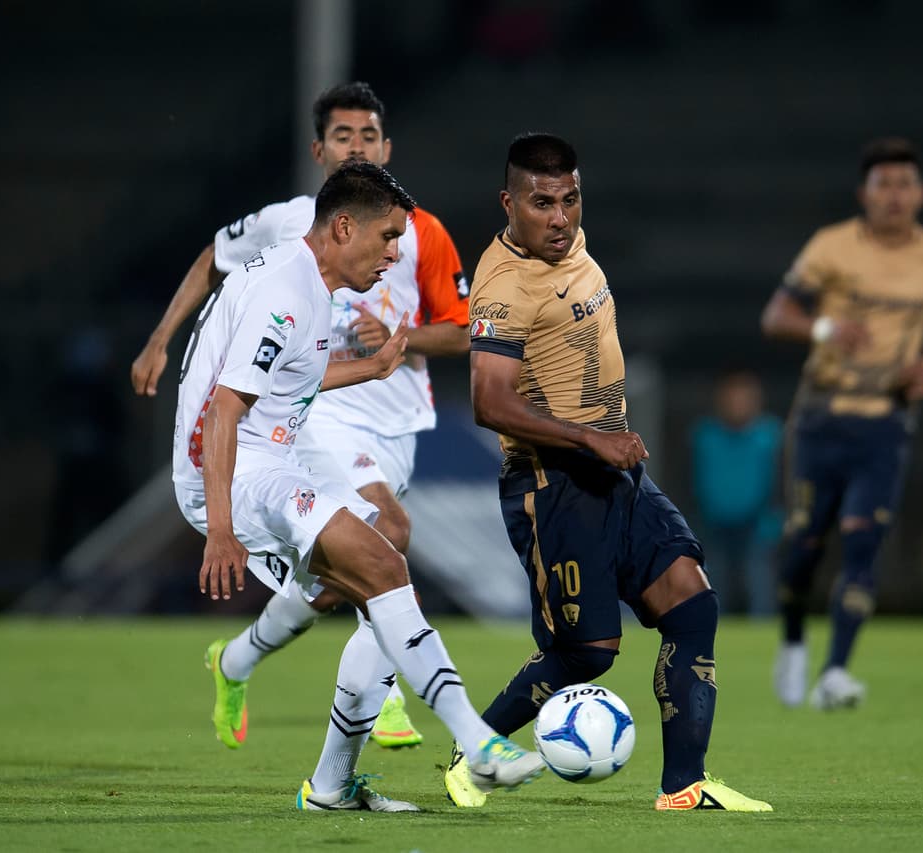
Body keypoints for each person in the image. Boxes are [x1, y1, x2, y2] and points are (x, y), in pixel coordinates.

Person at [172, 160, 544, 810]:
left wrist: (369, 367)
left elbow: (289, 380)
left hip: (272, 453)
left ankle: (326, 778)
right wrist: (222, 527)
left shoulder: (313, 285)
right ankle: (478, 742)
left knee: (365, 580)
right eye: (387, 237)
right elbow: (224, 409)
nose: (395, 253)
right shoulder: (288, 291)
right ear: (344, 227)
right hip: (232, 468)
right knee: (380, 559)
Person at [132, 82, 471, 755]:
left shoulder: (414, 231)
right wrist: (159, 338)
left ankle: (236, 660)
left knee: (328, 584)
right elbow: (211, 259)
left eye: (368, 137)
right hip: (315, 419)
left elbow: (463, 331)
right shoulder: (290, 226)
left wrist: (401, 340)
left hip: (395, 417)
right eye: (342, 136)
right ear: (319, 150)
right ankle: (391, 702)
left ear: (386, 148)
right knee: (387, 534)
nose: (355, 147)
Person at [444, 133, 772, 813]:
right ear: (509, 203)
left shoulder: (570, 243)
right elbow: (488, 400)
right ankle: (472, 751)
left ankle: (684, 785)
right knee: (587, 651)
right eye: (541, 203)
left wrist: (604, 445)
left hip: (615, 474)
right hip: (553, 484)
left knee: (693, 602)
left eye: (569, 199)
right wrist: (590, 438)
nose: (559, 217)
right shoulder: (504, 285)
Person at [761, 137, 923, 710]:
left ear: (921, 193)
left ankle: (834, 674)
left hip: (886, 421)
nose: (896, 195)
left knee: (862, 541)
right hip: (823, 415)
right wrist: (826, 330)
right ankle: (795, 639)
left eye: (906, 183)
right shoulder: (832, 247)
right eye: (884, 184)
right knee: (804, 543)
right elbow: (777, 315)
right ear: (865, 194)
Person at [690, 370, 782, 617]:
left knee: (759, 584)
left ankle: (763, 641)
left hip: (758, 526)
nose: (737, 404)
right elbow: (689, 479)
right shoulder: (704, 435)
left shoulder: (770, 434)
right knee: (712, 586)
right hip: (713, 524)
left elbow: (782, 480)